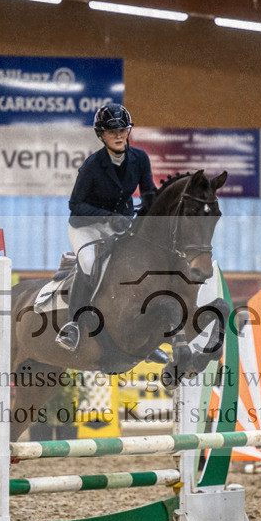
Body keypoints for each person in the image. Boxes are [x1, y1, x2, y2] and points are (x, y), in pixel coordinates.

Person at [55, 102, 157, 353]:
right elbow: (75, 205)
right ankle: (73, 324)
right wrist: (109, 216)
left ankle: (149, 334)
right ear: (101, 135)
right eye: (113, 131)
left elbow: (149, 195)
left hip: (120, 226)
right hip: (86, 227)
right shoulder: (92, 166)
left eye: (124, 129)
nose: (120, 135)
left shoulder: (140, 159)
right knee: (90, 265)